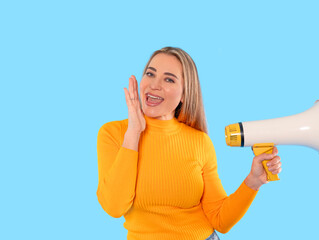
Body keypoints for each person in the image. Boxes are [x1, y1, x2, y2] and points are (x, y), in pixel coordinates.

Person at [96, 47, 282, 240]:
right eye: (150, 74)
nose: (154, 85)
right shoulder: (113, 134)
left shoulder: (199, 142)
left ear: (184, 94)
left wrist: (254, 181)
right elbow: (114, 207)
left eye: (169, 79)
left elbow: (220, 220)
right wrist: (133, 132)